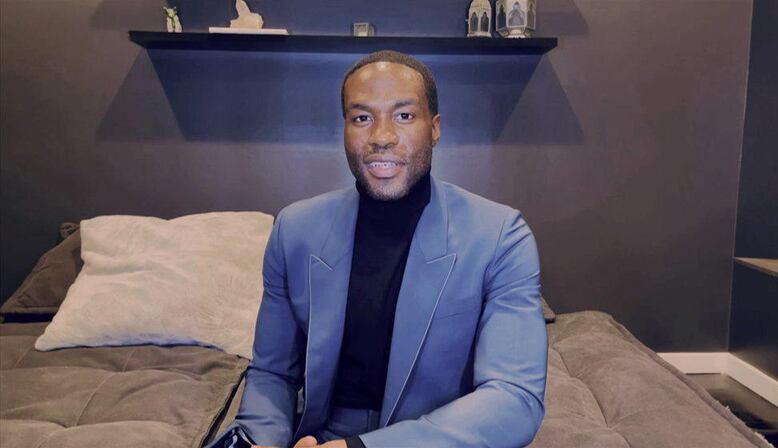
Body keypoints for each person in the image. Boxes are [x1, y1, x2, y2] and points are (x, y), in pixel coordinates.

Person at [209, 50, 547, 448]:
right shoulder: (294, 229)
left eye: (404, 116)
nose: (381, 137)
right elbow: (273, 374)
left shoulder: (501, 235)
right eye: (362, 118)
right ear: (345, 129)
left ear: (434, 128)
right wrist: (262, 440)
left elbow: (514, 398)